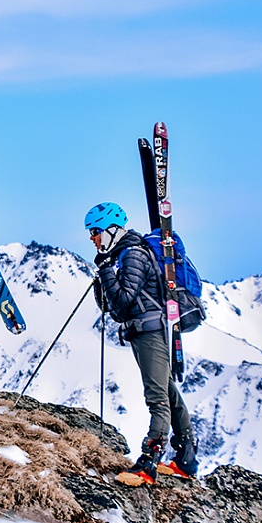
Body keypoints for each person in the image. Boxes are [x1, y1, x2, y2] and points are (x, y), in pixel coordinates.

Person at [86, 201, 198, 486]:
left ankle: (149, 462)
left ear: (112, 229)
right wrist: (105, 274)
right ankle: (186, 458)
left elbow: (123, 301)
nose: (92, 238)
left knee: (157, 397)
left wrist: (107, 273)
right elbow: (113, 307)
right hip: (144, 331)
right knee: (168, 391)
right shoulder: (121, 255)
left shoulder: (133, 254)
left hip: (151, 332)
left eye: (95, 231)